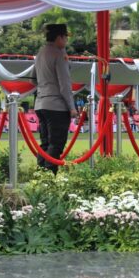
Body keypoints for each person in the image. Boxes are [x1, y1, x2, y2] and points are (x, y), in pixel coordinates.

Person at [32, 24, 78, 174]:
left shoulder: (41, 52)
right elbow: (65, 84)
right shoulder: (58, 54)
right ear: (59, 37)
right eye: (65, 37)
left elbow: (33, 78)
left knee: (45, 143)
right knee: (56, 144)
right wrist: (72, 107)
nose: (66, 41)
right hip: (56, 106)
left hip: (41, 103)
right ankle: (49, 178)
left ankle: (40, 175)